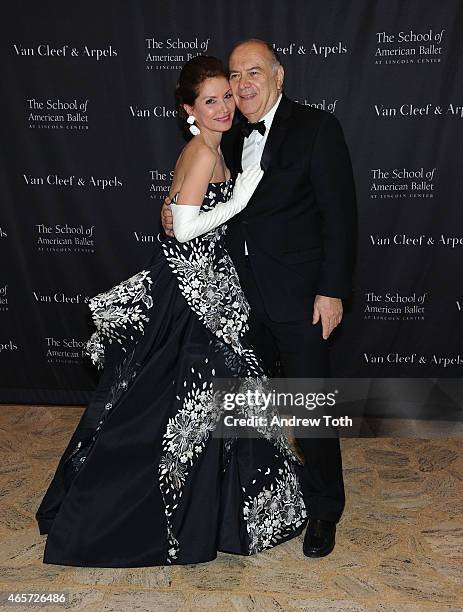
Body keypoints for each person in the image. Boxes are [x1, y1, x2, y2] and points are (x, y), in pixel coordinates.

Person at [35, 55, 308, 568]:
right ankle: (170, 514)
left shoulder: (209, 148)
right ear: (189, 108)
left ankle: (229, 510)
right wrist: (240, 198)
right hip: (191, 297)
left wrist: (198, 206)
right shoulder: (203, 154)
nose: (225, 106)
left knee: (205, 403)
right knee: (186, 405)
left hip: (210, 286)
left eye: (228, 95)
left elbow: (180, 213)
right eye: (211, 100)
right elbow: (183, 229)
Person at [162, 39, 358, 558]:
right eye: (235, 75)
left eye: (254, 72)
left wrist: (332, 290)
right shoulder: (225, 132)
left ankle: (323, 509)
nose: (243, 86)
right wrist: (170, 206)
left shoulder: (317, 129)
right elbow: (200, 195)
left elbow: (340, 219)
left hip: (300, 301)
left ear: (279, 75)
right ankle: (239, 504)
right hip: (239, 300)